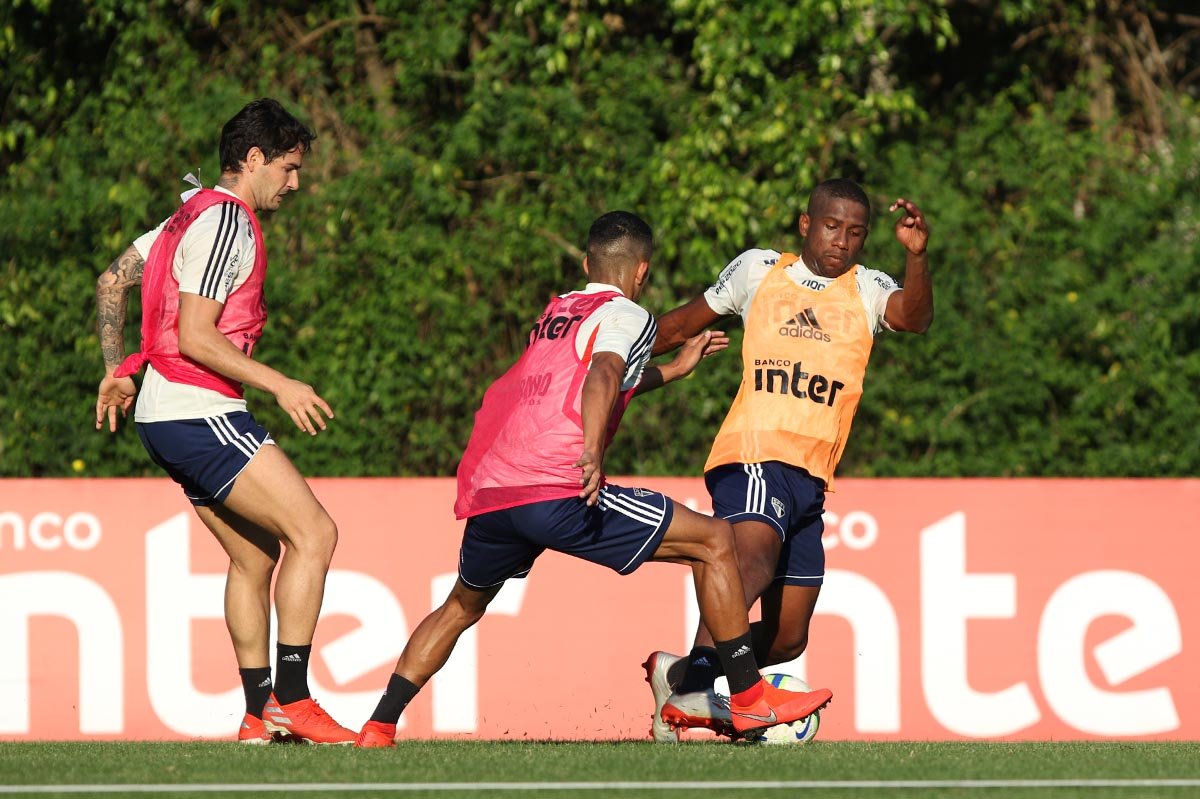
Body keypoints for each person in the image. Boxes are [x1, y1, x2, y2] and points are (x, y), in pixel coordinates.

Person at [353, 211, 833, 748]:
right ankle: (747, 700)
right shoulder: (628, 312)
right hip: (559, 487)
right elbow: (604, 373)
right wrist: (589, 452)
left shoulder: (558, 310)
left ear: (587, 264)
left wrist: (672, 372)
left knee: (461, 605)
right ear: (642, 272)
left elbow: (585, 376)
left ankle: (378, 725)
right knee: (716, 540)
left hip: (495, 489)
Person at [94, 98, 356, 745]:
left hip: (162, 413)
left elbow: (111, 281)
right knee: (315, 533)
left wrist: (117, 367)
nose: (295, 185)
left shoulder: (186, 216)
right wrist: (282, 383)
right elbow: (197, 334)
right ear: (254, 159)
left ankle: (254, 714)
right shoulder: (228, 222)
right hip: (196, 405)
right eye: (289, 169)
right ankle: (292, 700)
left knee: (252, 556)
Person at [642, 178, 932, 741]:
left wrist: (916, 259)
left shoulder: (868, 288)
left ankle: (682, 673)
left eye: (855, 233)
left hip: (811, 476)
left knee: (787, 637)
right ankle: (694, 697)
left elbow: (915, 317)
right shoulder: (760, 270)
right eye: (830, 226)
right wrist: (609, 346)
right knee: (748, 563)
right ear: (806, 224)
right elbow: (680, 325)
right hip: (753, 451)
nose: (841, 241)